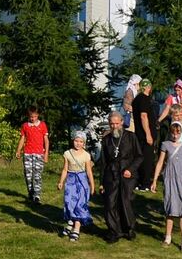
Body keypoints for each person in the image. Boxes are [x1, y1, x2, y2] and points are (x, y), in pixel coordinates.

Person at [150, 120, 182, 252]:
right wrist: (154, 180)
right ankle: (168, 237)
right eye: (173, 133)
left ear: (181, 132)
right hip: (170, 178)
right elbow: (160, 162)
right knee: (170, 207)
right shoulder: (166, 145)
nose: (175, 136)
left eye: (178, 133)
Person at [99, 110, 143, 241]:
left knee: (125, 201)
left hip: (127, 174)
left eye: (117, 124)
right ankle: (114, 231)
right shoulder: (107, 140)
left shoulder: (131, 137)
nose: (114, 126)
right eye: (111, 124)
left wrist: (131, 169)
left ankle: (128, 229)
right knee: (110, 203)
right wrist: (101, 182)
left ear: (122, 123)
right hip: (111, 174)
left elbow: (139, 157)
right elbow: (104, 161)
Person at [59, 131, 94, 241]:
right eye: (76, 141)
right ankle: (71, 222)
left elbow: (89, 171)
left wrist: (92, 185)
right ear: (73, 141)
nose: (78, 143)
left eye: (81, 141)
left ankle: (76, 228)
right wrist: (61, 181)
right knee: (69, 202)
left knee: (80, 204)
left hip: (82, 181)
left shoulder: (86, 155)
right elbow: (65, 169)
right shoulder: (67, 154)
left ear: (84, 143)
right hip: (71, 180)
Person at [15, 107, 49, 206]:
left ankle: (37, 196)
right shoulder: (25, 126)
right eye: (31, 117)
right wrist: (18, 150)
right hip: (27, 153)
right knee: (28, 175)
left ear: (37, 115)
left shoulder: (42, 125)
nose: (33, 119)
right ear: (28, 116)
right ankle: (31, 192)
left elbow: (46, 140)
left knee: (37, 175)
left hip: (39, 153)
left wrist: (46, 153)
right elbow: (22, 138)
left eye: (34, 116)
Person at [128, 80, 156, 189]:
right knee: (147, 159)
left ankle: (137, 181)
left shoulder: (136, 99)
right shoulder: (144, 99)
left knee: (139, 157)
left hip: (139, 133)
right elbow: (143, 116)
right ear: (148, 87)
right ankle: (145, 184)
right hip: (145, 135)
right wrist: (148, 134)